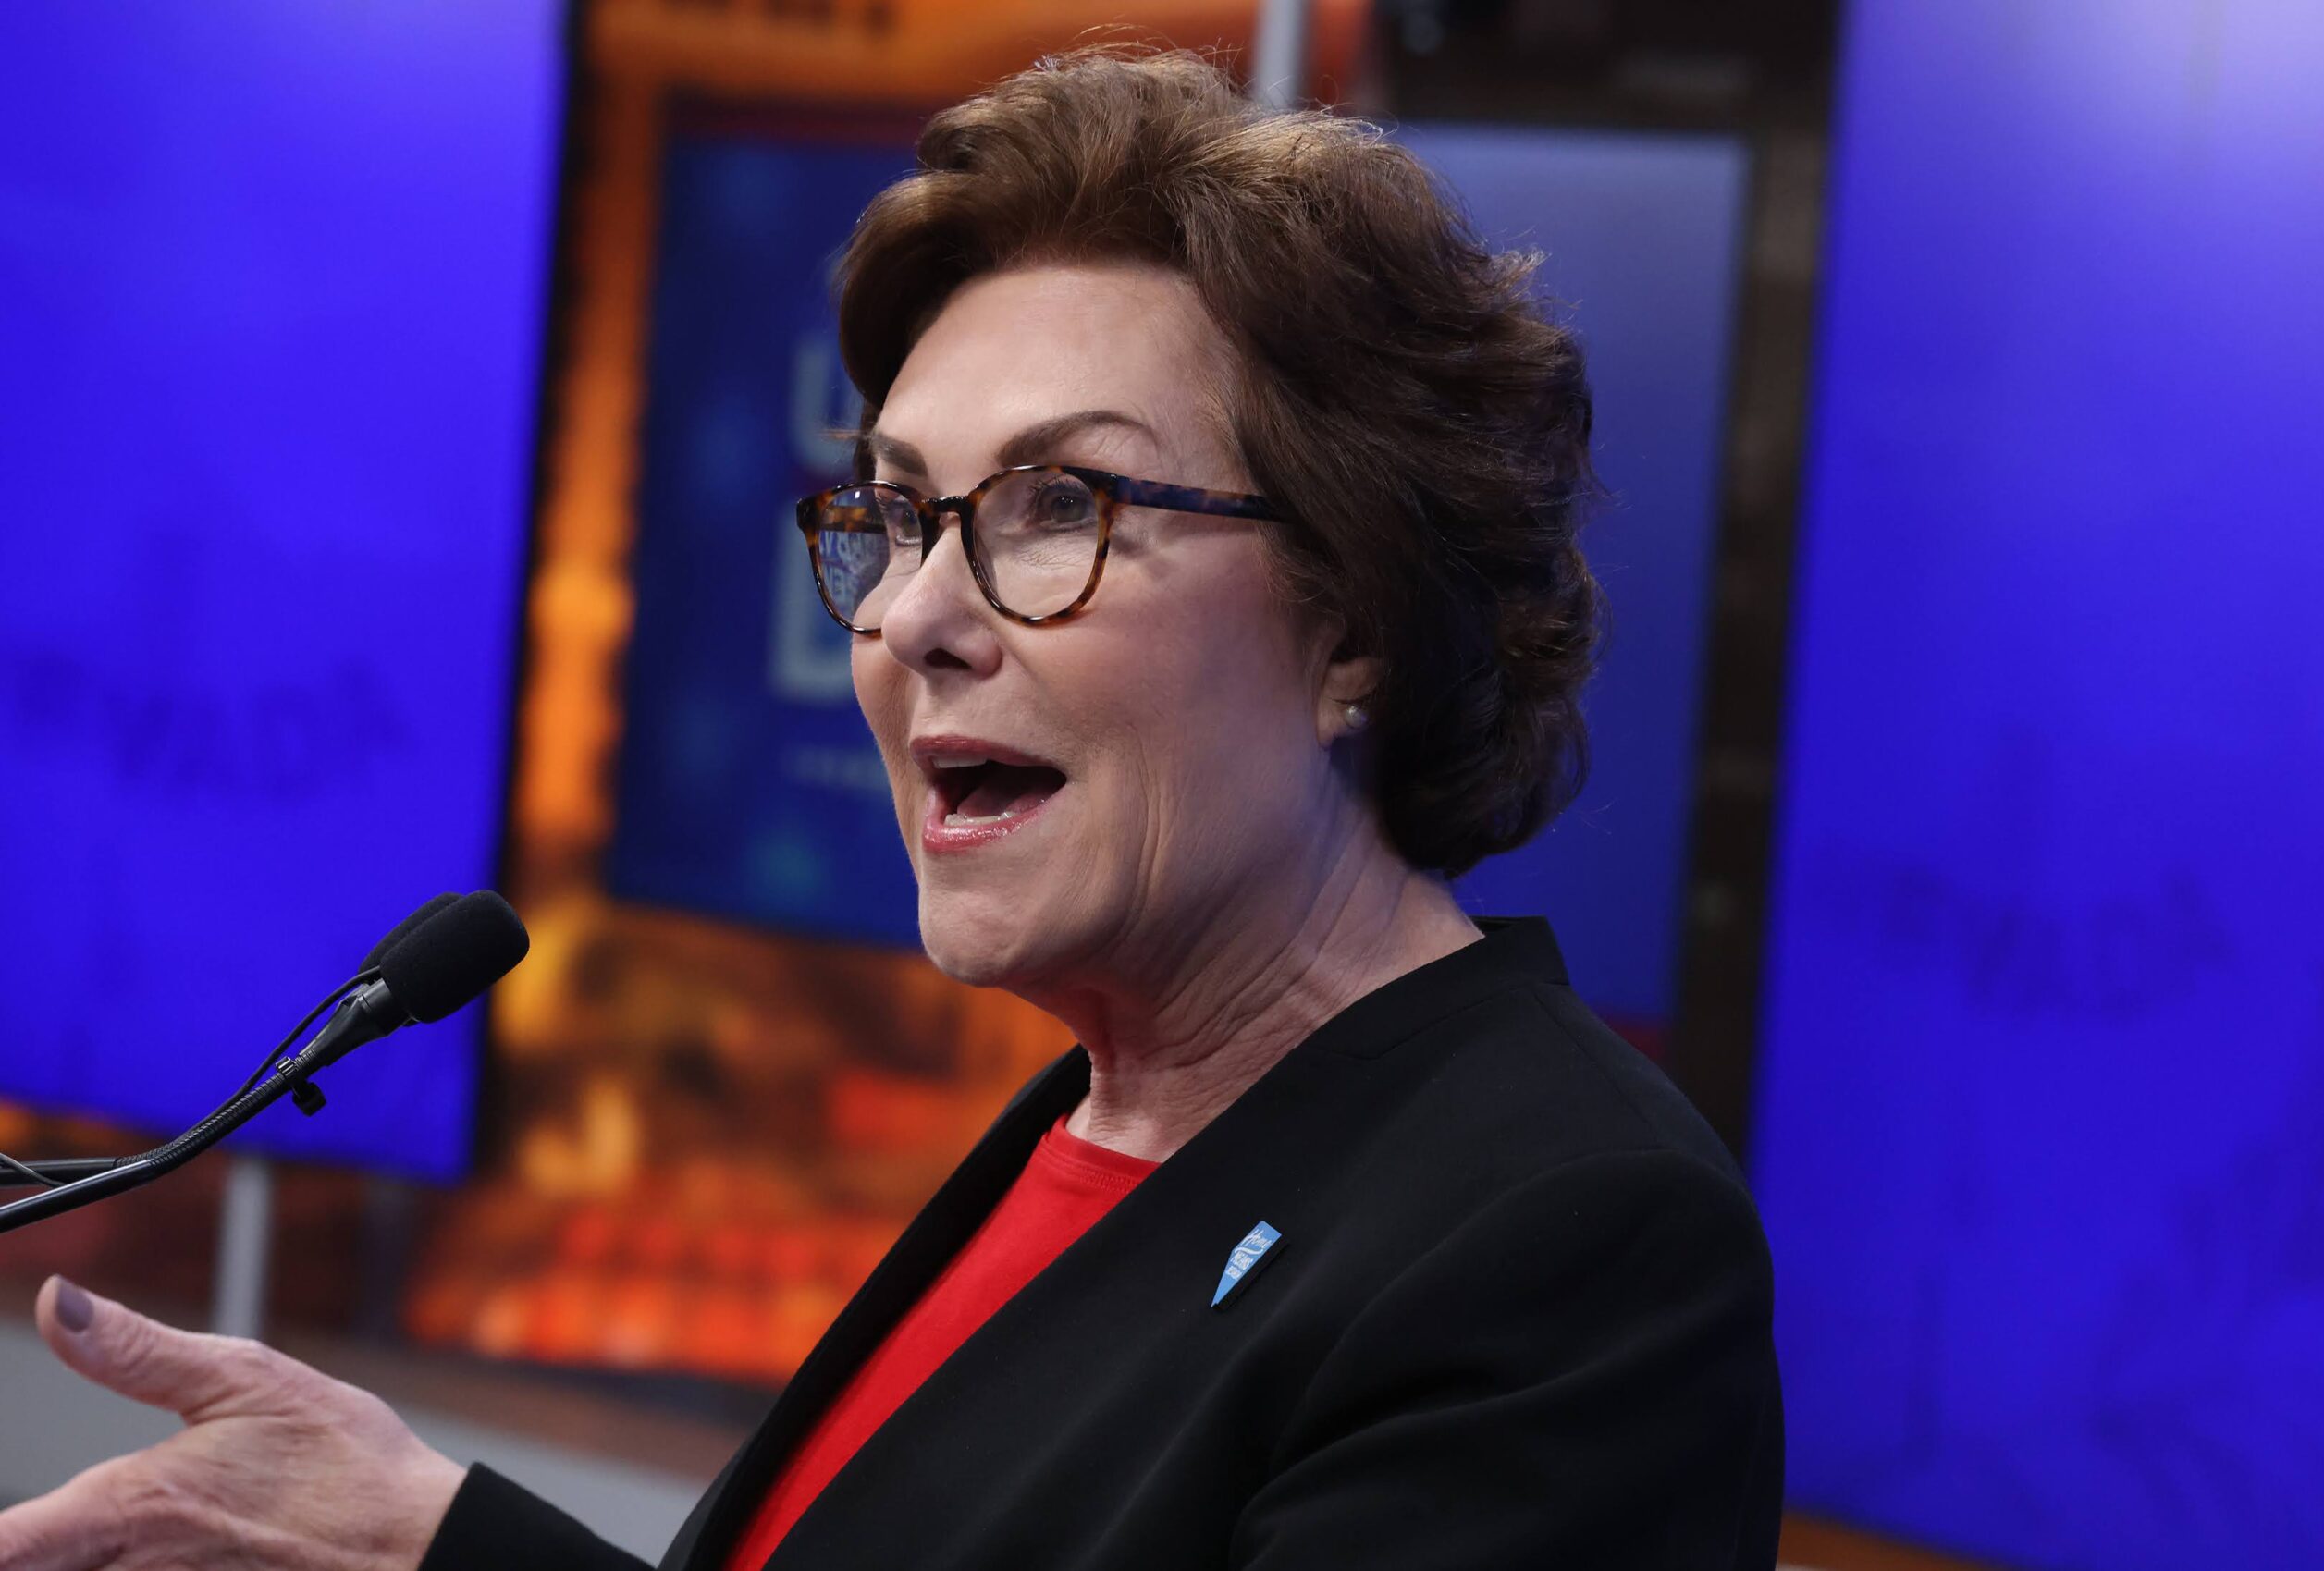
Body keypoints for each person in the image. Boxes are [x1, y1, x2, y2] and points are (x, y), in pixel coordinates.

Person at [0, 47, 1781, 1571]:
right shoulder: (1100, 1124)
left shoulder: (1568, 1241)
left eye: (1055, 508)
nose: (911, 615)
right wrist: (432, 1534)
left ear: (1361, 622)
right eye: (899, 514)